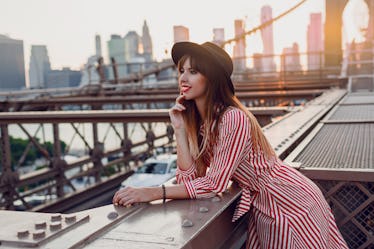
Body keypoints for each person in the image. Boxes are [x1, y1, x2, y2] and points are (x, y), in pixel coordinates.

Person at [113, 41, 348, 248]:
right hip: (265, 206)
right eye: (181, 71)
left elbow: (214, 184)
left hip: (289, 201)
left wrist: (152, 192)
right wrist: (180, 129)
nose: (183, 78)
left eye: (193, 71)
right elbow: (191, 182)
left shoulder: (232, 118)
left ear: (211, 78)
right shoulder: (204, 125)